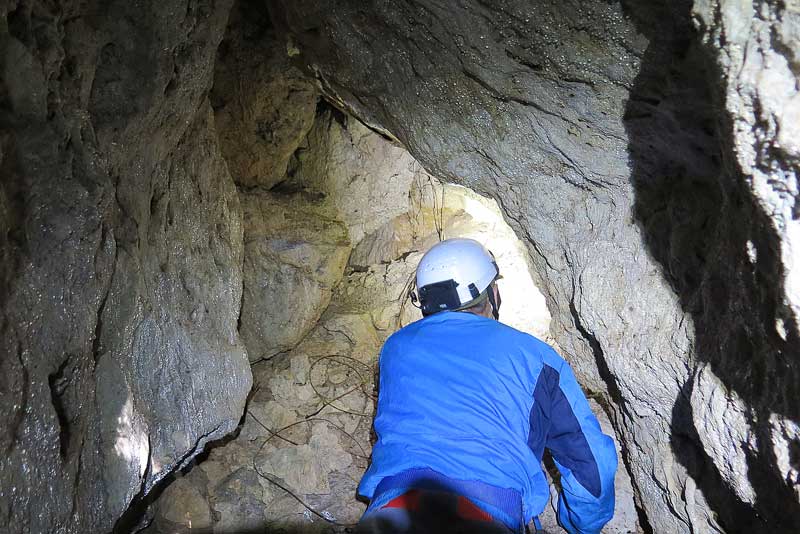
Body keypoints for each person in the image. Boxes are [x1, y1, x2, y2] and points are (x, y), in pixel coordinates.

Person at [356, 238, 617, 534]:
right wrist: (581, 524)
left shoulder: (395, 348)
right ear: (492, 293)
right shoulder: (536, 357)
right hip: (482, 515)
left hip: (388, 514)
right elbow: (591, 462)